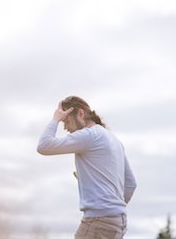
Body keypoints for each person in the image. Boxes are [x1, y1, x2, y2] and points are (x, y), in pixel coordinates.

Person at [37, 96, 137, 239]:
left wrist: (56, 119)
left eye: (66, 121)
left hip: (99, 220)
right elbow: (131, 184)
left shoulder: (89, 136)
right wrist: (113, 209)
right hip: (118, 221)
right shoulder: (114, 140)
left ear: (81, 114)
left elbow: (43, 146)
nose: (65, 127)